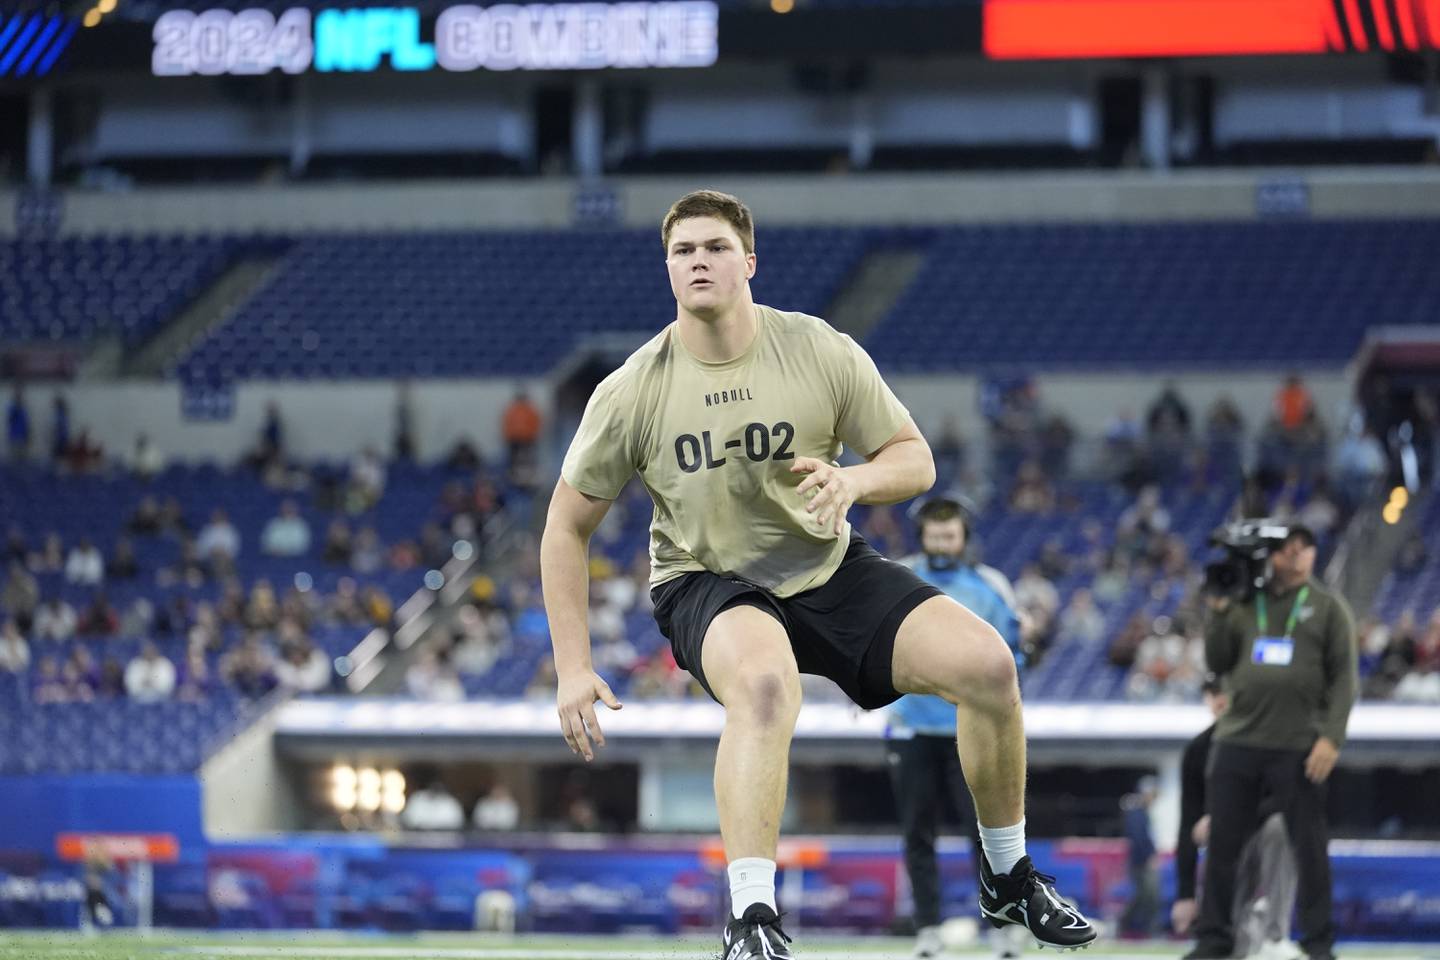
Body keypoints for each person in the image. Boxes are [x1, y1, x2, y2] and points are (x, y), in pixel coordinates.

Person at [541, 190, 1096, 960]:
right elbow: (565, 527)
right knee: (767, 685)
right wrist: (573, 666)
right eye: (682, 251)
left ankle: (1007, 877)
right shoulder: (633, 389)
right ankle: (750, 918)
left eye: (715, 247)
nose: (698, 260)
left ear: (750, 262)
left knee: (988, 666)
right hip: (708, 579)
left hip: (827, 565)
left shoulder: (816, 349)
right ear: (667, 269)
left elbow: (914, 458)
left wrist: (854, 484)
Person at [1185, 526, 1357, 960]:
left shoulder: (1327, 607)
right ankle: (1214, 941)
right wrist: (1220, 609)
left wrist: (1331, 738)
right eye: (1287, 549)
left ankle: (1319, 944)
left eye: (1305, 548)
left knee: (1310, 850)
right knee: (1223, 847)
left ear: (1315, 555)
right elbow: (1217, 660)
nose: (1296, 556)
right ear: (1271, 557)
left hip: (1298, 744)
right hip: (1238, 740)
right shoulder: (1245, 603)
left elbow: (1344, 681)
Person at [886, 496, 1029, 960]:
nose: (942, 543)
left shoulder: (989, 586)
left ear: (965, 536)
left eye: (950, 535)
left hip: (972, 728)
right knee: (916, 832)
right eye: (934, 534)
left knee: (986, 831)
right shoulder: (896, 575)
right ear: (922, 535)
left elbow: (1013, 654)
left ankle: (1004, 928)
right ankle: (928, 929)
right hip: (911, 726)